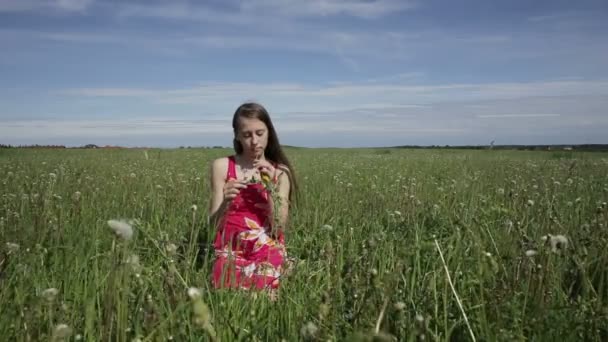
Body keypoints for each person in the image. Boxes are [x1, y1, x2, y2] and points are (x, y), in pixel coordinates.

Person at [208, 102, 297, 293]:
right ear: (237, 136)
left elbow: (278, 228)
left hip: (266, 245)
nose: (254, 141)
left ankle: (281, 268)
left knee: (265, 286)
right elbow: (212, 226)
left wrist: (272, 191)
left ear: (269, 133)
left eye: (260, 133)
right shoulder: (222, 166)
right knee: (224, 286)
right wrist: (226, 202)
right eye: (247, 135)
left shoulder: (280, 172)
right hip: (231, 247)